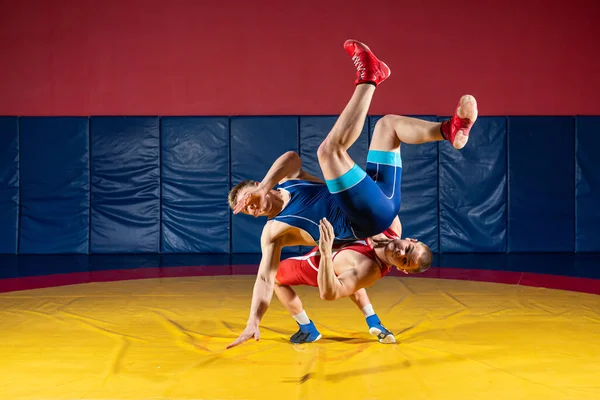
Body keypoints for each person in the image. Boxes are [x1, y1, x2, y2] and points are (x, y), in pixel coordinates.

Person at [226, 39, 478, 349]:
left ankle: (449, 129)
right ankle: (370, 77)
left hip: (382, 201)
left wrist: (263, 186)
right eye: (248, 210)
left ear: (260, 185)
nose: (253, 206)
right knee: (329, 151)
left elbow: (291, 158)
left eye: (251, 197)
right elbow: (266, 279)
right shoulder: (274, 231)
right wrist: (253, 321)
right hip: (366, 219)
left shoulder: (289, 181)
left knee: (388, 126)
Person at [274, 216, 426, 344]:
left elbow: (329, 294)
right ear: (411, 239)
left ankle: (307, 329)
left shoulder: (367, 269)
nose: (400, 252)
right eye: (408, 249)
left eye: (404, 261)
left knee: (274, 278)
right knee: (353, 283)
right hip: (333, 251)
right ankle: (374, 321)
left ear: (402, 269)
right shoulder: (391, 225)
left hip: (315, 266)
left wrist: (326, 253)